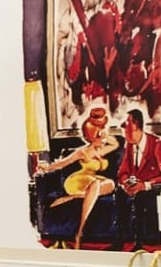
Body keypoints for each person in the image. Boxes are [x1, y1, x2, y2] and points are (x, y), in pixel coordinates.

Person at [38, 105, 118, 249]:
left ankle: (74, 197)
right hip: (79, 181)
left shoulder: (102, 150)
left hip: (93, 181)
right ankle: (79, 232)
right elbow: (63, 163)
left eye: (102, 130)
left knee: (111, 184)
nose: (102, 136)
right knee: (96, 185)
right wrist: (47, 167)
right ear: (92, 135)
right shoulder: (83, 152)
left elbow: (115, 143)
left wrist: (104, 134)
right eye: (99, 133)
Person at [115, 107, 161, 248]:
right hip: (141, 186)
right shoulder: (130, 146)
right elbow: (123, 171)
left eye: (125, 124)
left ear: (135, 125)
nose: (122, 128)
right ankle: (120, 240)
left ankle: (139, 243)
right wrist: (126, 183)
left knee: (141, 197)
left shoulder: (159, 144)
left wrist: (144, 185)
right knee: (119, 193)